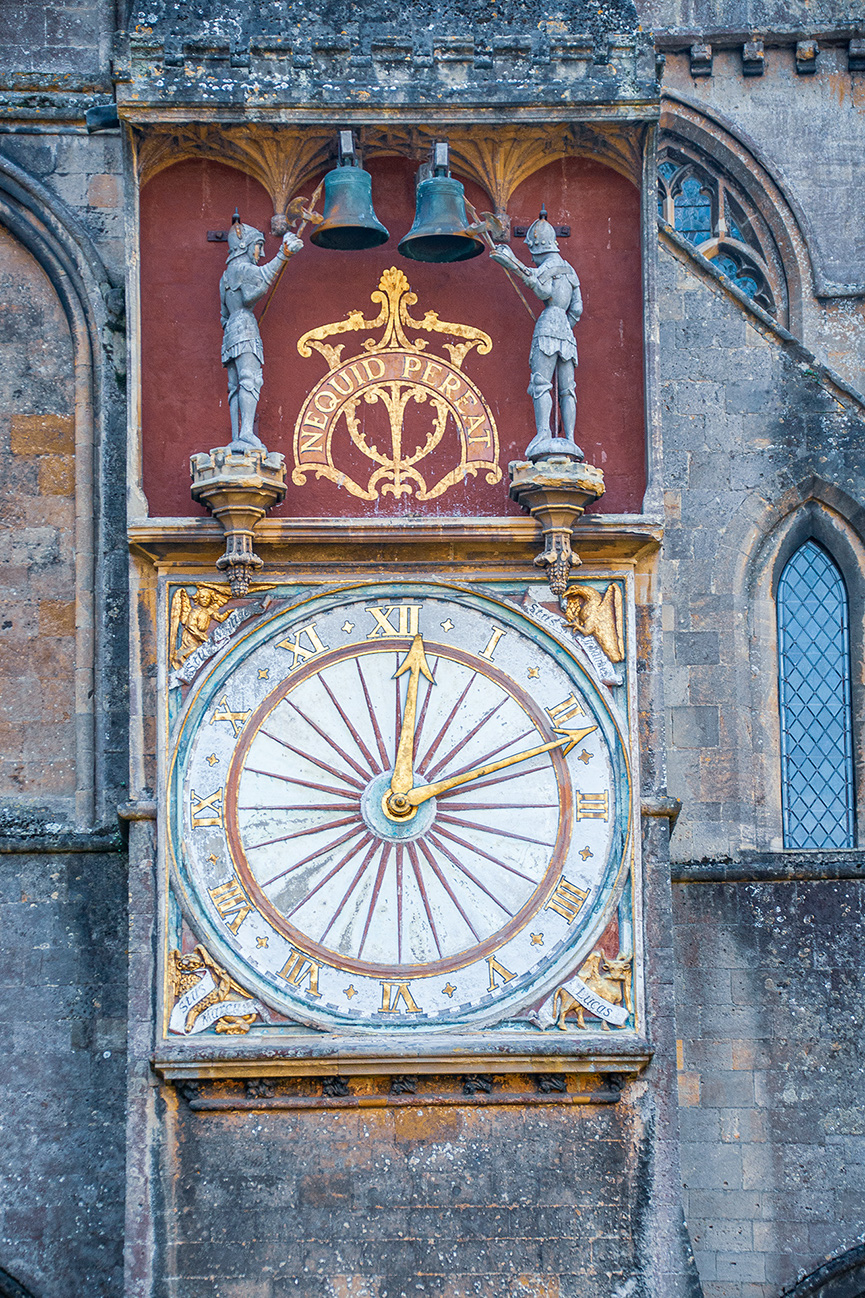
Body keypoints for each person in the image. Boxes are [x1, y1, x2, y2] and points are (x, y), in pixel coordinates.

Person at [490, 209, 583, 460]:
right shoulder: (569, 270)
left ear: (538, 247)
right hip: (565, 330)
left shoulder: (549, 267)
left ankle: (543, 432)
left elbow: (542, 290)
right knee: (567, 389)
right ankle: (570, 438)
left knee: (541, 383)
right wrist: (564, 327)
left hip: (548, 326)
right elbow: (577, 309)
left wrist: (513, 264)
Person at [220, 218, 302, 449]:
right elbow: (263, 277)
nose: (261, 251)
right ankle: (246, 433)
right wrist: (284, 254)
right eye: (258, 245)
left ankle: (238, 435)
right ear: (245, 245)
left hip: (231, 331)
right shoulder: (243, 269)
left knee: (235, 384)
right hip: (245, 327)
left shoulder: (226, 276)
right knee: (251, 379)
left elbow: (224, 314)